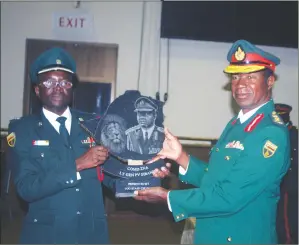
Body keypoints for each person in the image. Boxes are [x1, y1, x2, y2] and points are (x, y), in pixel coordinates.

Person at [134, 40, 291, 244]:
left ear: (269, 81)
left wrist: (168, 197)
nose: (241, 84)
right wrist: (181, 157)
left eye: (251, 77)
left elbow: (228, 197)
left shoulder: (270, 133)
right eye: (235, 77)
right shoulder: (236, 124)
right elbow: (216, 180)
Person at [6, 47, 115, 244]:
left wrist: (142, 180)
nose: (58, 87)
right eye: (50, 82)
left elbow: (110, 175)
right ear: (37, 90)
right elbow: (26, 188)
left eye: (65, 82)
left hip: (90, 234)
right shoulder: (22, 130)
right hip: (47, 236)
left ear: (72, 89)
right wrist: (77, 165)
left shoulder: (93, 124)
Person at [275, 103, 298, 244]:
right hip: (278, 184)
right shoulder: (275, 134)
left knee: (287, 222)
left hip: (288, 184)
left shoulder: (292, 135)